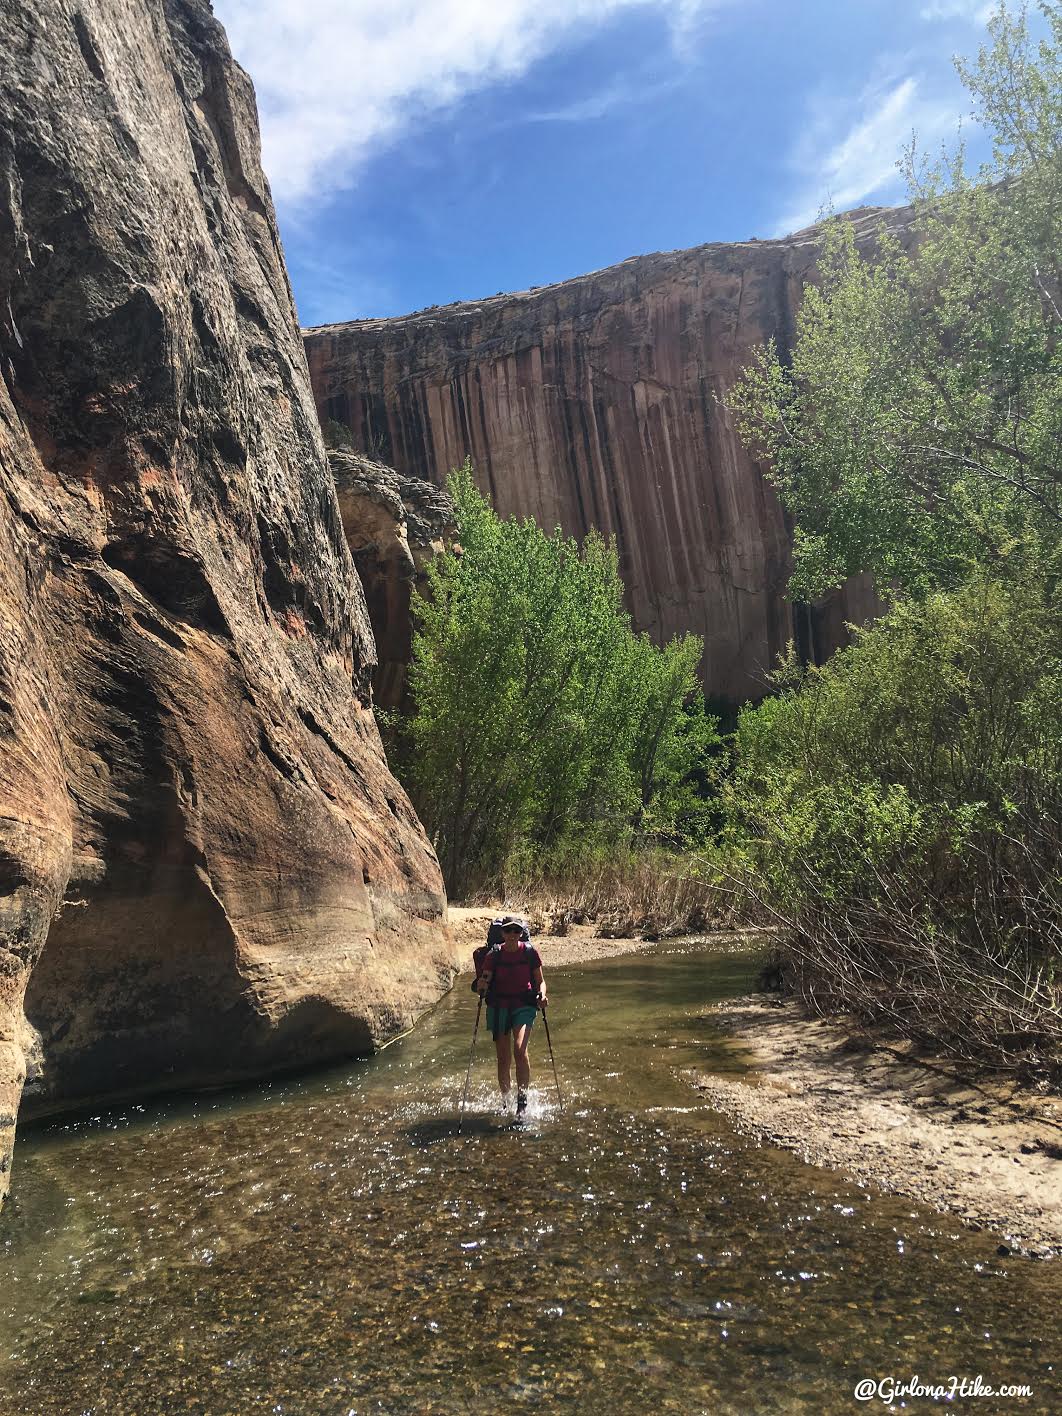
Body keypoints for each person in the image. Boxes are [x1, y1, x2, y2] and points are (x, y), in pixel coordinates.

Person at [476, 915, 547, 1114]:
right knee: (503, 1058)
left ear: (521, 933)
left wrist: (543, 995)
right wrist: (482, 985)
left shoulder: (530, 953)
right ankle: (506, 1101)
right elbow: (485, 979)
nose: (512, 934)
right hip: (498, 1006)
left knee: (519, 1049)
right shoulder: (493, 955)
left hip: (523, 1005)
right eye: (508, 931)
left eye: (516, 931)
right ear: (502, 933)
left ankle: (522, 1103)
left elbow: (540, 981)